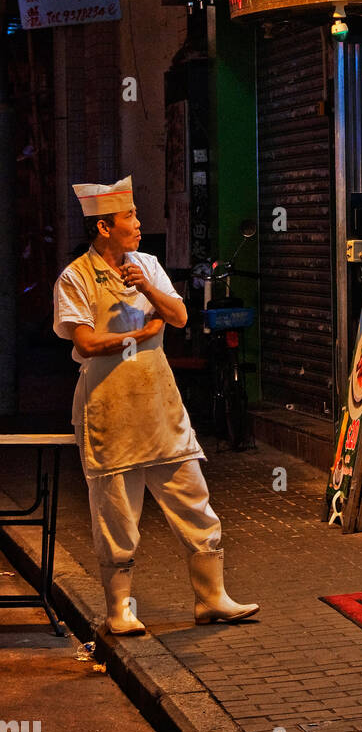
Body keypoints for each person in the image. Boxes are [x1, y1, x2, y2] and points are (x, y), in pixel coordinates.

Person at [52, 177, 259, 635]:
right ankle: (120, 608)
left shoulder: (147, 264)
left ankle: (211, 598)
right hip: (108, 408)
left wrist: (146, 288)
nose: (139, 225)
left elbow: (181, 316)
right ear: (104, 227)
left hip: (159, 401)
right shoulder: (75, 278)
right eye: (131, 217)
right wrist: (137, 336)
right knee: (117, 513)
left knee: (193, 499)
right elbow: (85, 344)